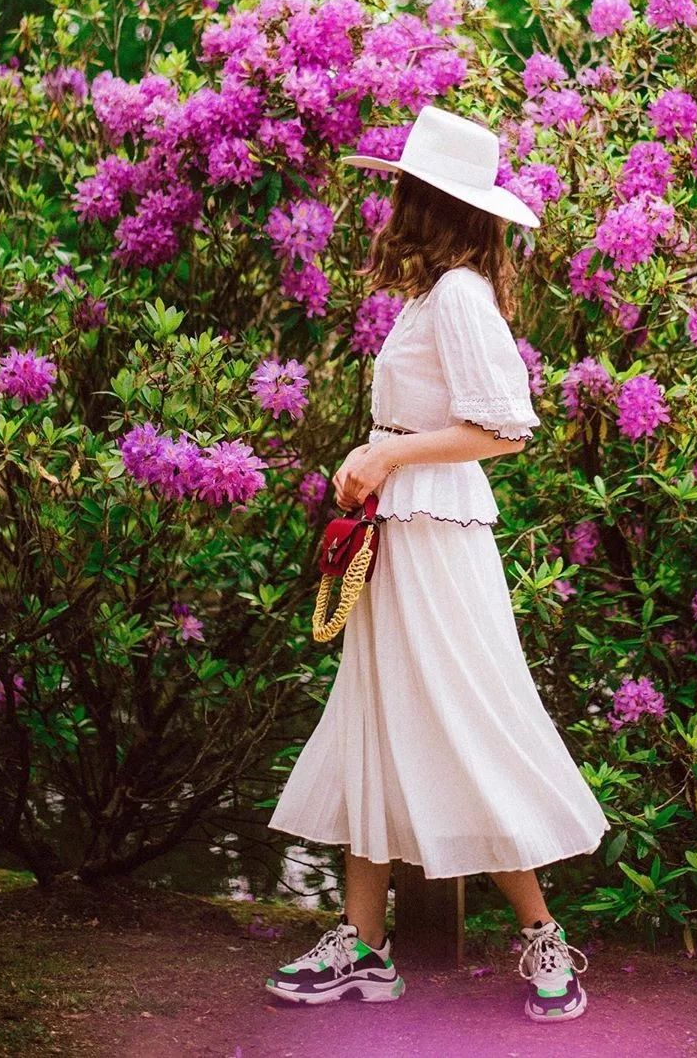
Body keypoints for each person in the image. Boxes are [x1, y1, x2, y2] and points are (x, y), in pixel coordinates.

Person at [266, 105, 609, 1023]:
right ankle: (366, 946)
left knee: (466, 723)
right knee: (376, 724)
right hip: (401, 532)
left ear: (425, 201)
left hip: (435, 539)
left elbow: (504, 427)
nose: (390, 207)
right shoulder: (436, 293)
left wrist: (385, 457)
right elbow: (429, 419)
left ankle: (542, 935)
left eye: (401, 192)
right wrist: (373, 457)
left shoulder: (457, 295)